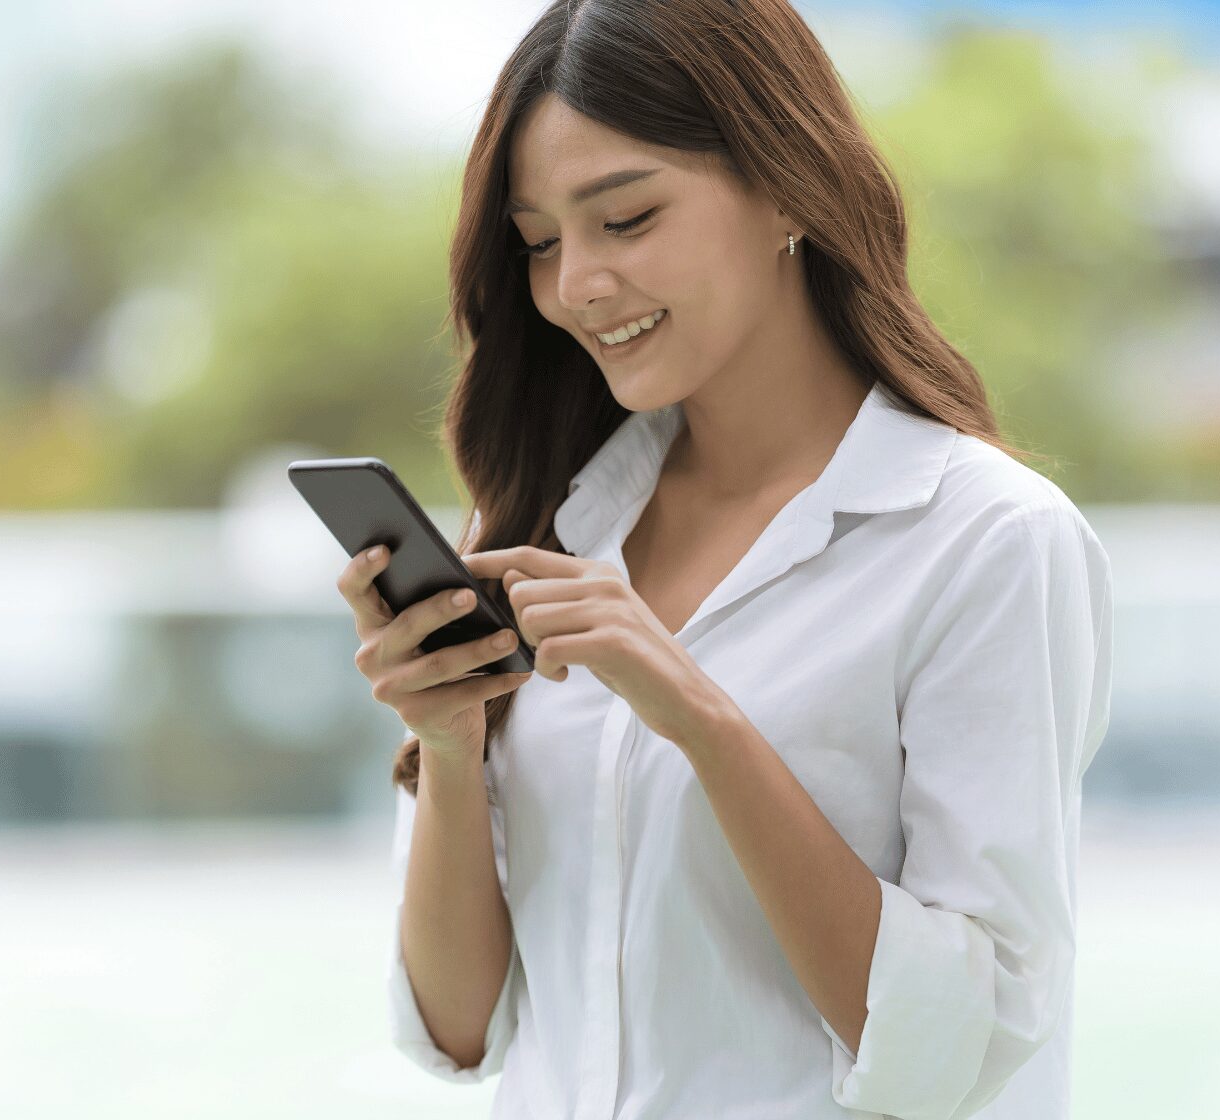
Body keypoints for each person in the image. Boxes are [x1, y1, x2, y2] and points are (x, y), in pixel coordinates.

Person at [333, 1, 1115, 1117]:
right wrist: (450, 746)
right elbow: (460, 1029)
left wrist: (699, 715)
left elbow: (961, 1048)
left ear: (787, 187)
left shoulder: (985, 541)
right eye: (541, 242)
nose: (575, 285)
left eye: (627, 218)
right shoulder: (550, 526)